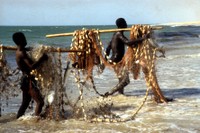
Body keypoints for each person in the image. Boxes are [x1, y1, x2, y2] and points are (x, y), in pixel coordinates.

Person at [104, 18, 149, 96]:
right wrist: (142, 38)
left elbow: (108, 47)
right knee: (126, 81)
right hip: (117, 61)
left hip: (114, 60)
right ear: (121, 24)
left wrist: (106, 59)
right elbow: (128, 42)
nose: (126, 23)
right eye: (125, 22)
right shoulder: (119, 34)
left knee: (121, 80)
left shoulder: (115, 34)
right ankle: (109, 93)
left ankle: (121, 95)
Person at [12, 32, 48, 118]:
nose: (26, 40)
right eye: (24, 38)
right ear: (21, 41)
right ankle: (36, 123)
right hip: (28, 81)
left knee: (25, 103)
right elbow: (32, 67)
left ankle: (18, 120)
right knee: (40, 102)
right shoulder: (22, 53)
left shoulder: (19, 51)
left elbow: (26, 51)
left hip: (25, 80)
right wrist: (42, 58)